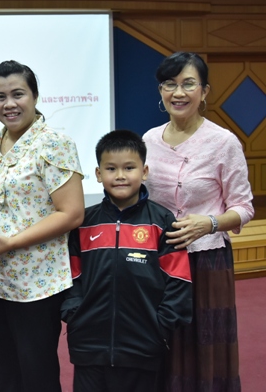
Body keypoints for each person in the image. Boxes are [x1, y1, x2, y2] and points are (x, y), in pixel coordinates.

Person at [143, 52, 255, 391]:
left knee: (206, 343)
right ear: (161, 91)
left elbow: (244, 207)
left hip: (206, 260)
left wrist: (209, 223)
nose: (178, 92)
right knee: (164, 341)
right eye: (170, 84)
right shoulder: (148, 140)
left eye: (188, 84)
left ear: (204, 91)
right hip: (160, 259)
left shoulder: (224, 142)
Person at [0, 60, 85, 392]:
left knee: (36, 373)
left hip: (37, 280)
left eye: (18, 94)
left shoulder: (54, 144)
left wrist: (13, 241)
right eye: (0, 97)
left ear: (35, 96)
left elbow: (71, 213)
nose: (9, 104)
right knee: (0, 371)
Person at [61, 129, 193, 392]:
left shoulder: (162, 222)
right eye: (111, 168)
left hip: (143, 346)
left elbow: (178, 279)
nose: (120, 175)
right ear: (98, 174)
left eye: (129, 168)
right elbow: (71, 276)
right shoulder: (84, 222)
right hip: (89, 345)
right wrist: (75, 314)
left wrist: (160, 326)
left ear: (144, 172)